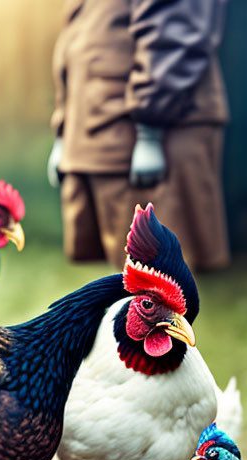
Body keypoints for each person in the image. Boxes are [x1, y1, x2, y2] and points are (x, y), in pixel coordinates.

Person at [48, 0, 231, 271]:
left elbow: (176, 28)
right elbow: (79, 32)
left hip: (150, 132)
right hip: (102, 128)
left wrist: (150, 129)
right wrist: (64, 129)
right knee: (129, 274)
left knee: (160, 278)